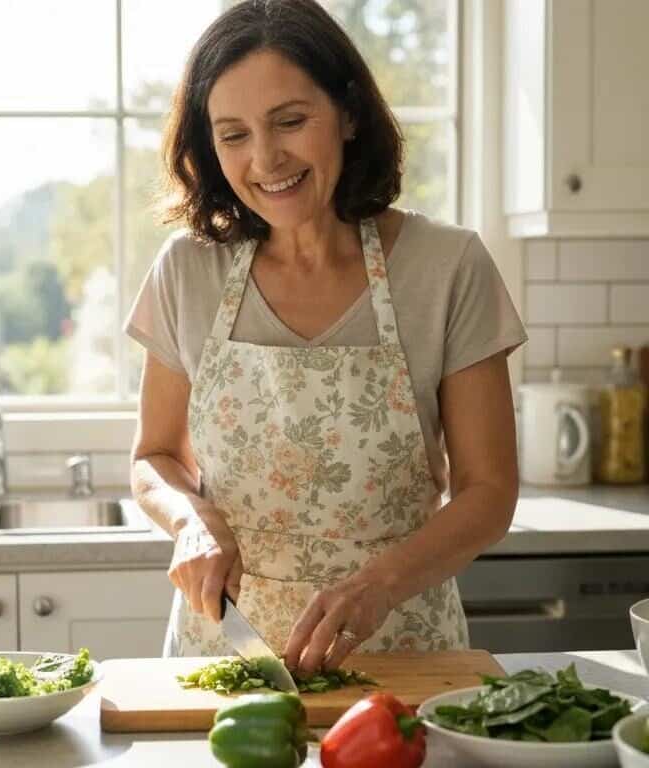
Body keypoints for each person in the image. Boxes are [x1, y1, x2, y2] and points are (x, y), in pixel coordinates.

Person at [125, 0, 527, 677]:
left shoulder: (447, 266)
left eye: (290, 121)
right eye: (234, 135)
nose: (266, 159)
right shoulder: (188, 272)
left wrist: (379, 585)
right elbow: (154, 456)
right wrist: (189, 518)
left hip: (403, 654)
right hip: (225, 658)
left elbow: (489, 491)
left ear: (348, 113)